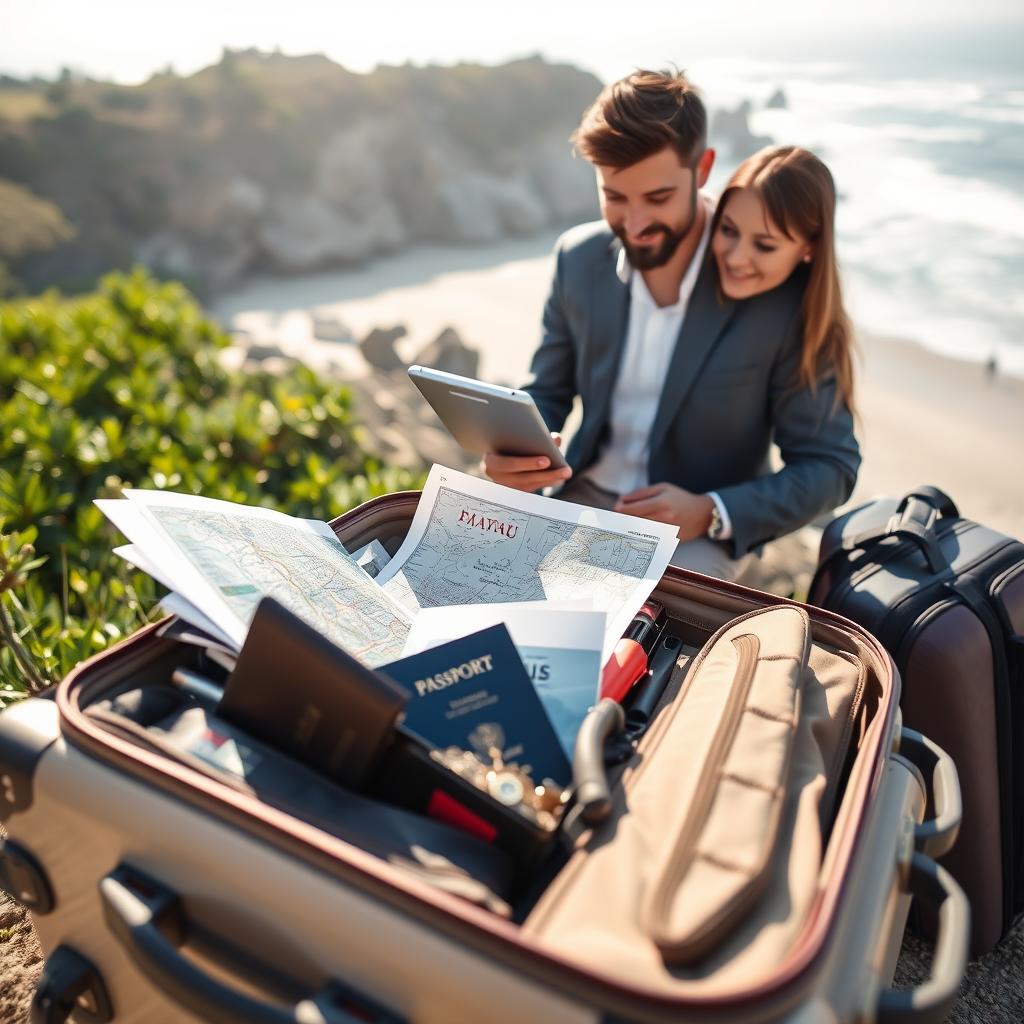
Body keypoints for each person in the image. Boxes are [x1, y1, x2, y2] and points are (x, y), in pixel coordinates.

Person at [482, 69, 859, 581]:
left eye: (657, 198)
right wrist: (516, 454)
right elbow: (546, 392)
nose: (634, 224)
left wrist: (712, 510)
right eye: (615, 197)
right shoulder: (577, 259)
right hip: (576, 499)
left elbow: (829, 468)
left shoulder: (775, 296)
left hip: (692, 536)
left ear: (703, 168)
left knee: (629, 643)